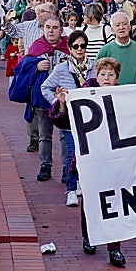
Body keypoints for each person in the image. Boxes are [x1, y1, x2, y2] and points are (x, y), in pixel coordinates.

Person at [79, 57, 128, 267]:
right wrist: (62, 103)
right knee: (91, 197)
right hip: (92, 158)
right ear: (96, 76)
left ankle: (114, 248)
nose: (106, 78)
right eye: (103, 74)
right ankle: (89, 235)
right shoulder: (83, 95)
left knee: (114, 200)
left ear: (117, 77)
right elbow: (62, 120)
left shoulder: (125, 96)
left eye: (111, 74)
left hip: (115, 157)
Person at [41, 30, 92, 207]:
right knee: (72, 153)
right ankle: (70, 189)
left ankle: (81, 182)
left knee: (86, 154)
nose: (79, 49)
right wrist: (57, 101)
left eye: (83, 46)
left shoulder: (93, 68)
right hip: (69, 120)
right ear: (70, 48)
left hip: (89, 121)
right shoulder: (61, 69)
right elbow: (45, 87)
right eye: (76, 46)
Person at [24, 17, 69, 177]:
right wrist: (35, 66)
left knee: (65, 135)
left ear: (61, 30)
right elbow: (22, 68)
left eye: (55, 27)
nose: (51, 31)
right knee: (44, 135)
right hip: (43, 98)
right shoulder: (37, 47)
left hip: (64, 99)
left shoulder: (69, 47)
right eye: (48, 27)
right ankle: (45, 166)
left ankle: (67, 168)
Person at [95, 12, 136, 85]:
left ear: (130, 27)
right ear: (112, 29)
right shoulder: (105, 50)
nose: (121, 27)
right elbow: (96, 72)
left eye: (124, 24)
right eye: (117, 25)